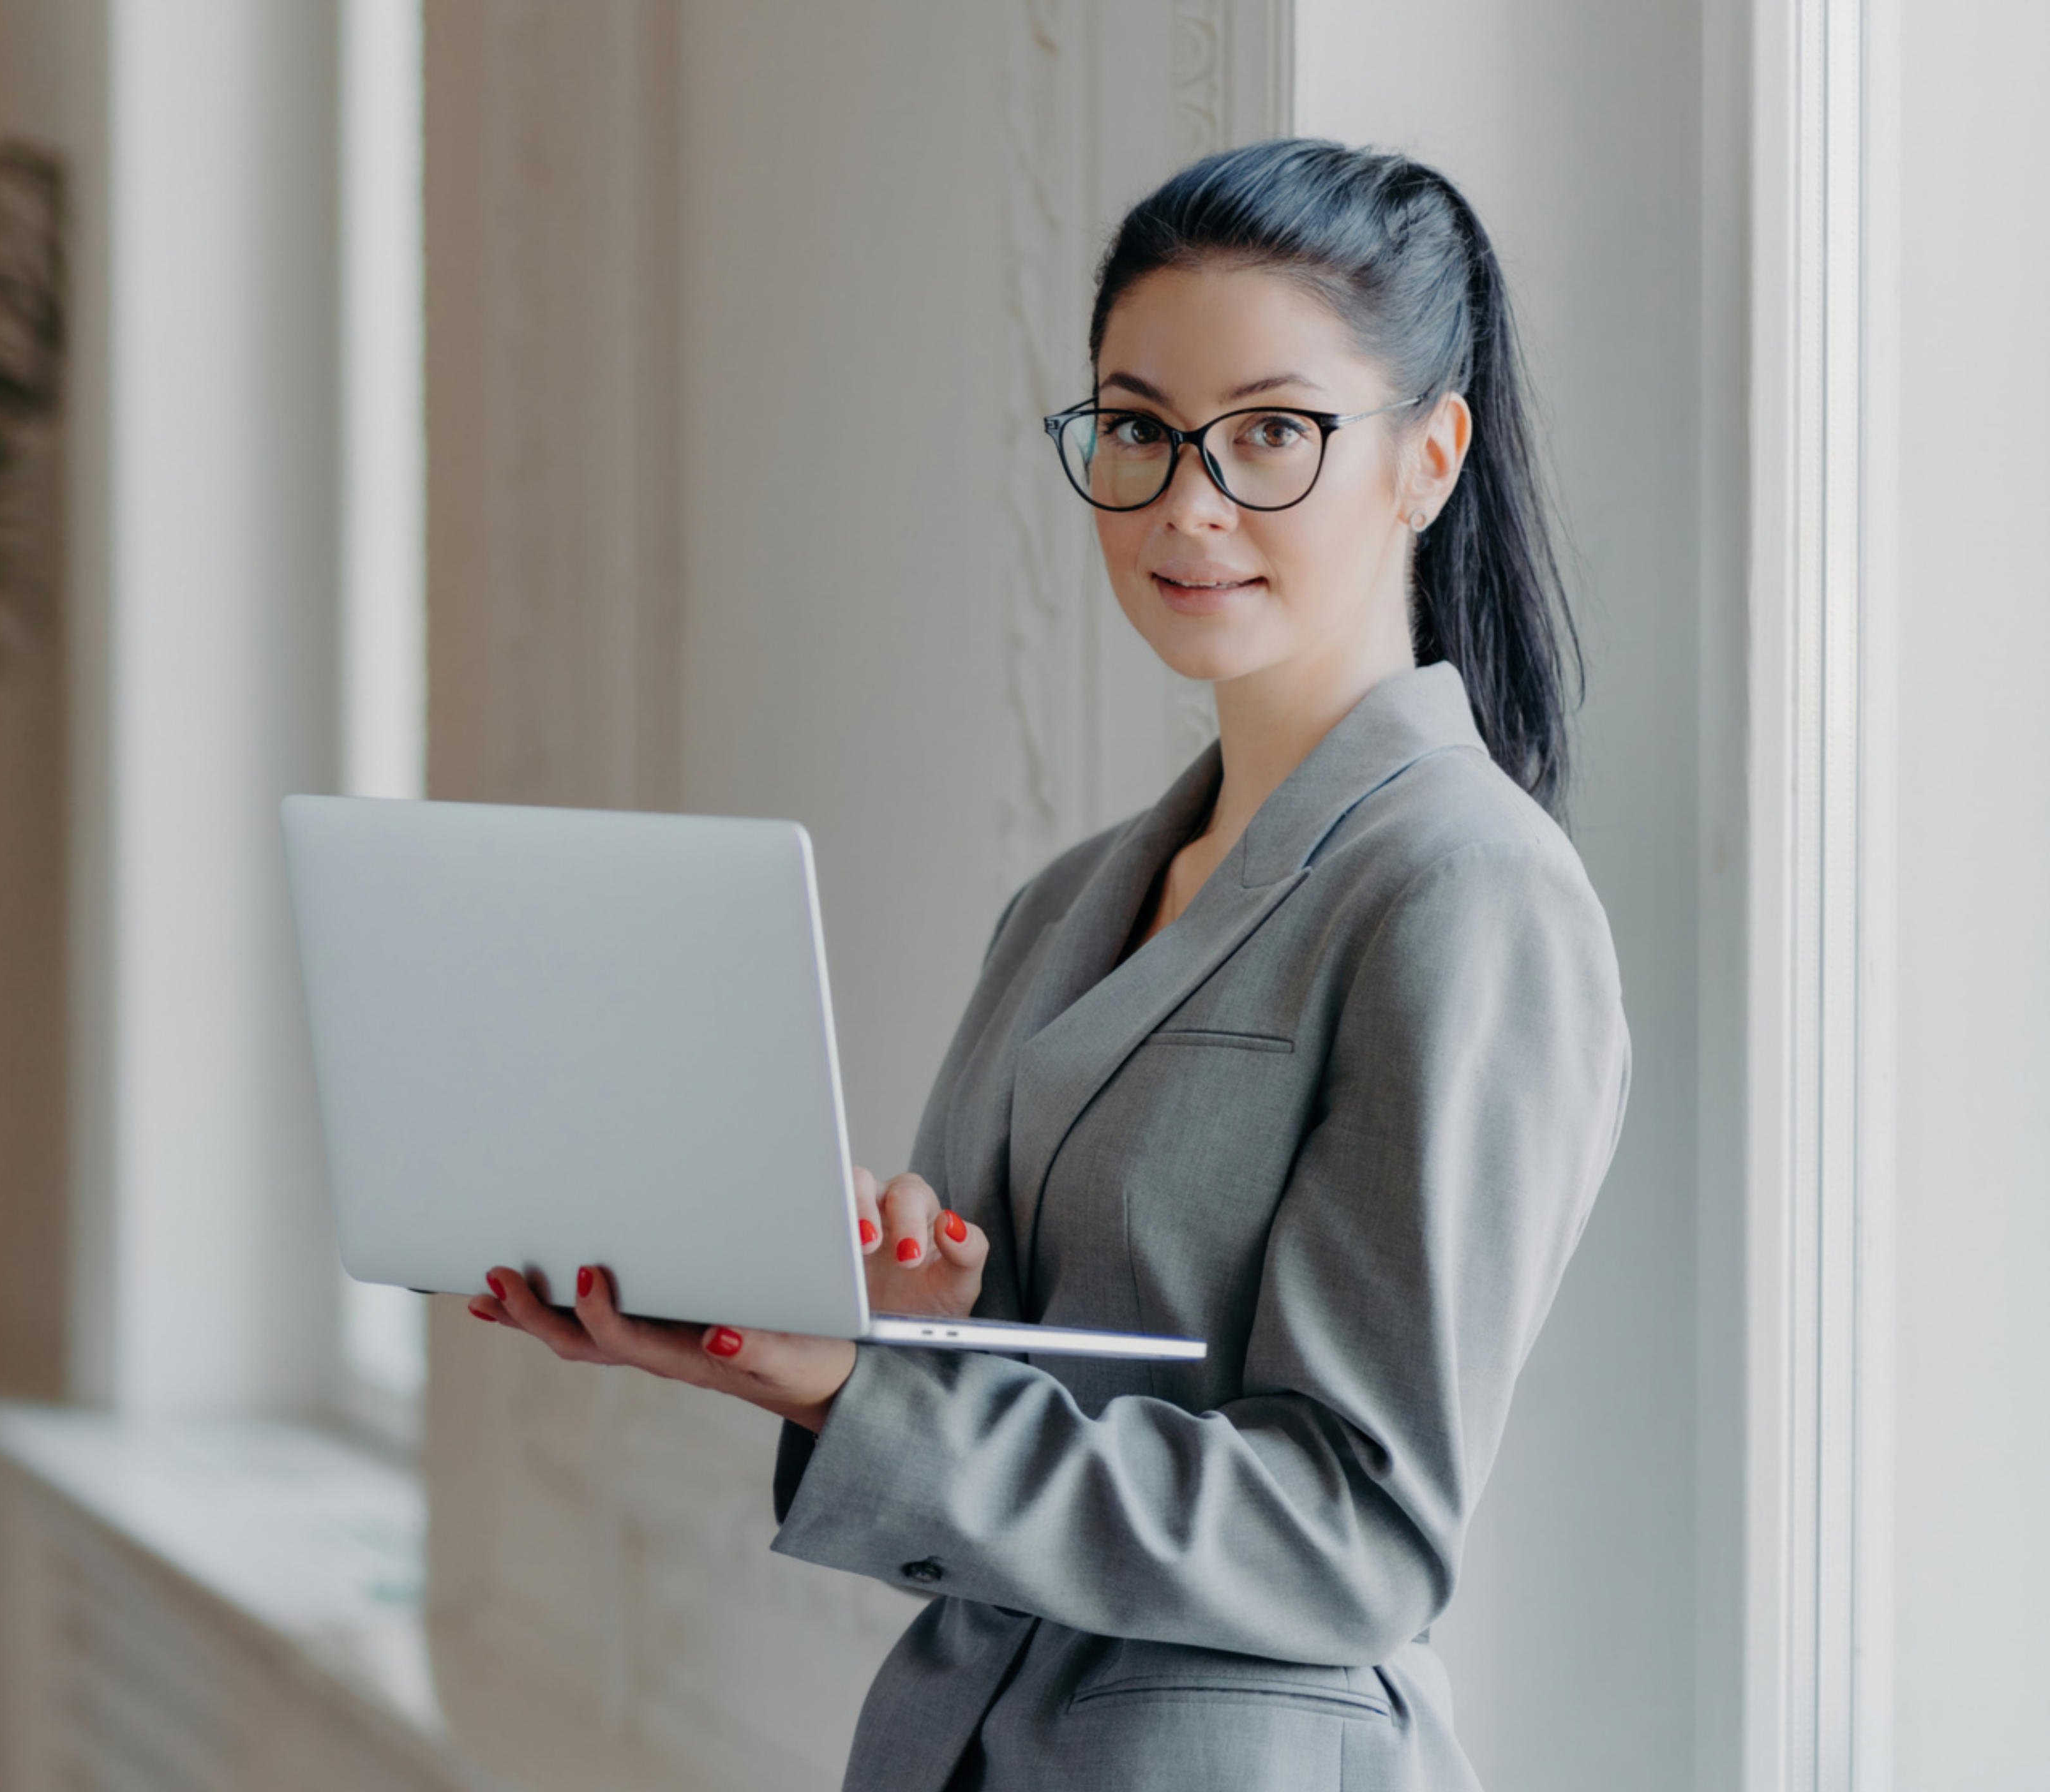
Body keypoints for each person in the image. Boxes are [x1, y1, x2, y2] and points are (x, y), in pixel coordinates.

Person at [465, 138, 1631, 1792]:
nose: (1187, 503)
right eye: (1141, 429)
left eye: (1274, 434)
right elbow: (1021, 1412)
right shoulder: (1074, 905)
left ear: (1427, 458)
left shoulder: (1465, 893)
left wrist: (859, 1389)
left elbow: (1351, 1538)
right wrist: (917, 1315)